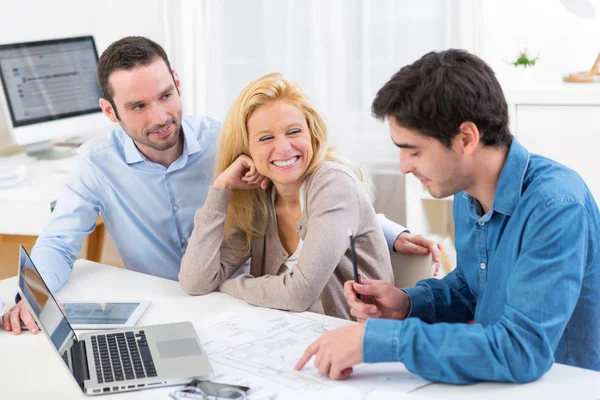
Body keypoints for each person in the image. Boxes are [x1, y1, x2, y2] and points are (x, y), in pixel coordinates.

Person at [2, 37, 439, 334]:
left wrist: (385, 229)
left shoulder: (226, 141)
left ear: (177, 83)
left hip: (251, 306)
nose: (160, 116)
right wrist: (32, 294)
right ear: (109, 111)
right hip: (170, 305)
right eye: (138, 106)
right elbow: (59, 244)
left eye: (165, 96)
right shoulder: (94, 166)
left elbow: (314, 181)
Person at [295, 49, 600, 383]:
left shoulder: (557, 207)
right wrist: (407, 304)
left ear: (466, 138)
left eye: (414, 150)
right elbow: (474, 285)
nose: (404, 166)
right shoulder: (466, 191)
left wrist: (379, 341)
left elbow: (520, 350)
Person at [179, 73, 394, 319]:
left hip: (350, 341)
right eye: (266, 137)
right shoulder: (260, 197)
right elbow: (195, 281)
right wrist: (221, 189)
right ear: (246, 149)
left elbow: (298, 294)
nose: (282, 148)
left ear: (312, 134)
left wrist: (228, 284)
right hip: (283, 336)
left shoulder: (333, 184)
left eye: (293, 132)